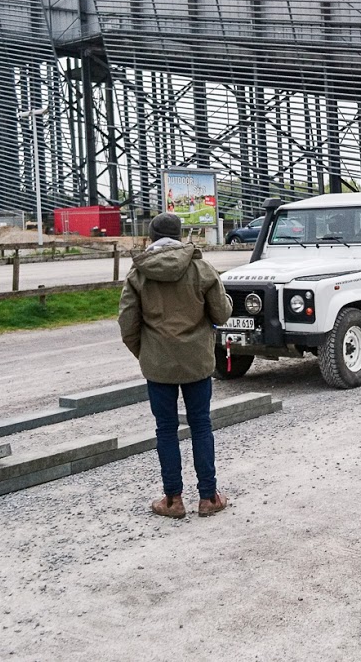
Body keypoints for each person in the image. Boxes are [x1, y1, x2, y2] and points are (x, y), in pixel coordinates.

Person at [119, 212, 234, 519]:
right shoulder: (200, 268)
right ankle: (208, 497)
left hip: (158, 366)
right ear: (180, 234)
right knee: (201, 425)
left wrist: (147, 354)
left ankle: (173, 501)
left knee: (166, 430)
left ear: (151, 236)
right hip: (197, 362)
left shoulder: (138, 273)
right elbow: (222, 314)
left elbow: (127, 324)